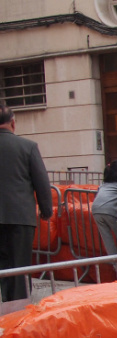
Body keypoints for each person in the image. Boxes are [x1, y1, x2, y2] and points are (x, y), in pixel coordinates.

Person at [0, 103, 53, 302]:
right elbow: (41, 180)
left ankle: (6, 302)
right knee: (20, 266)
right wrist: (46, 210)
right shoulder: (27, 147)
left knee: (3, 266)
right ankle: (18, 310)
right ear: (13, 123)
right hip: (20, 216)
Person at [92, 159, 117, 258]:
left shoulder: (104, 184)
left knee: (107, 239)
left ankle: (115, 263)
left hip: (96, 209)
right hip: (110, 211)